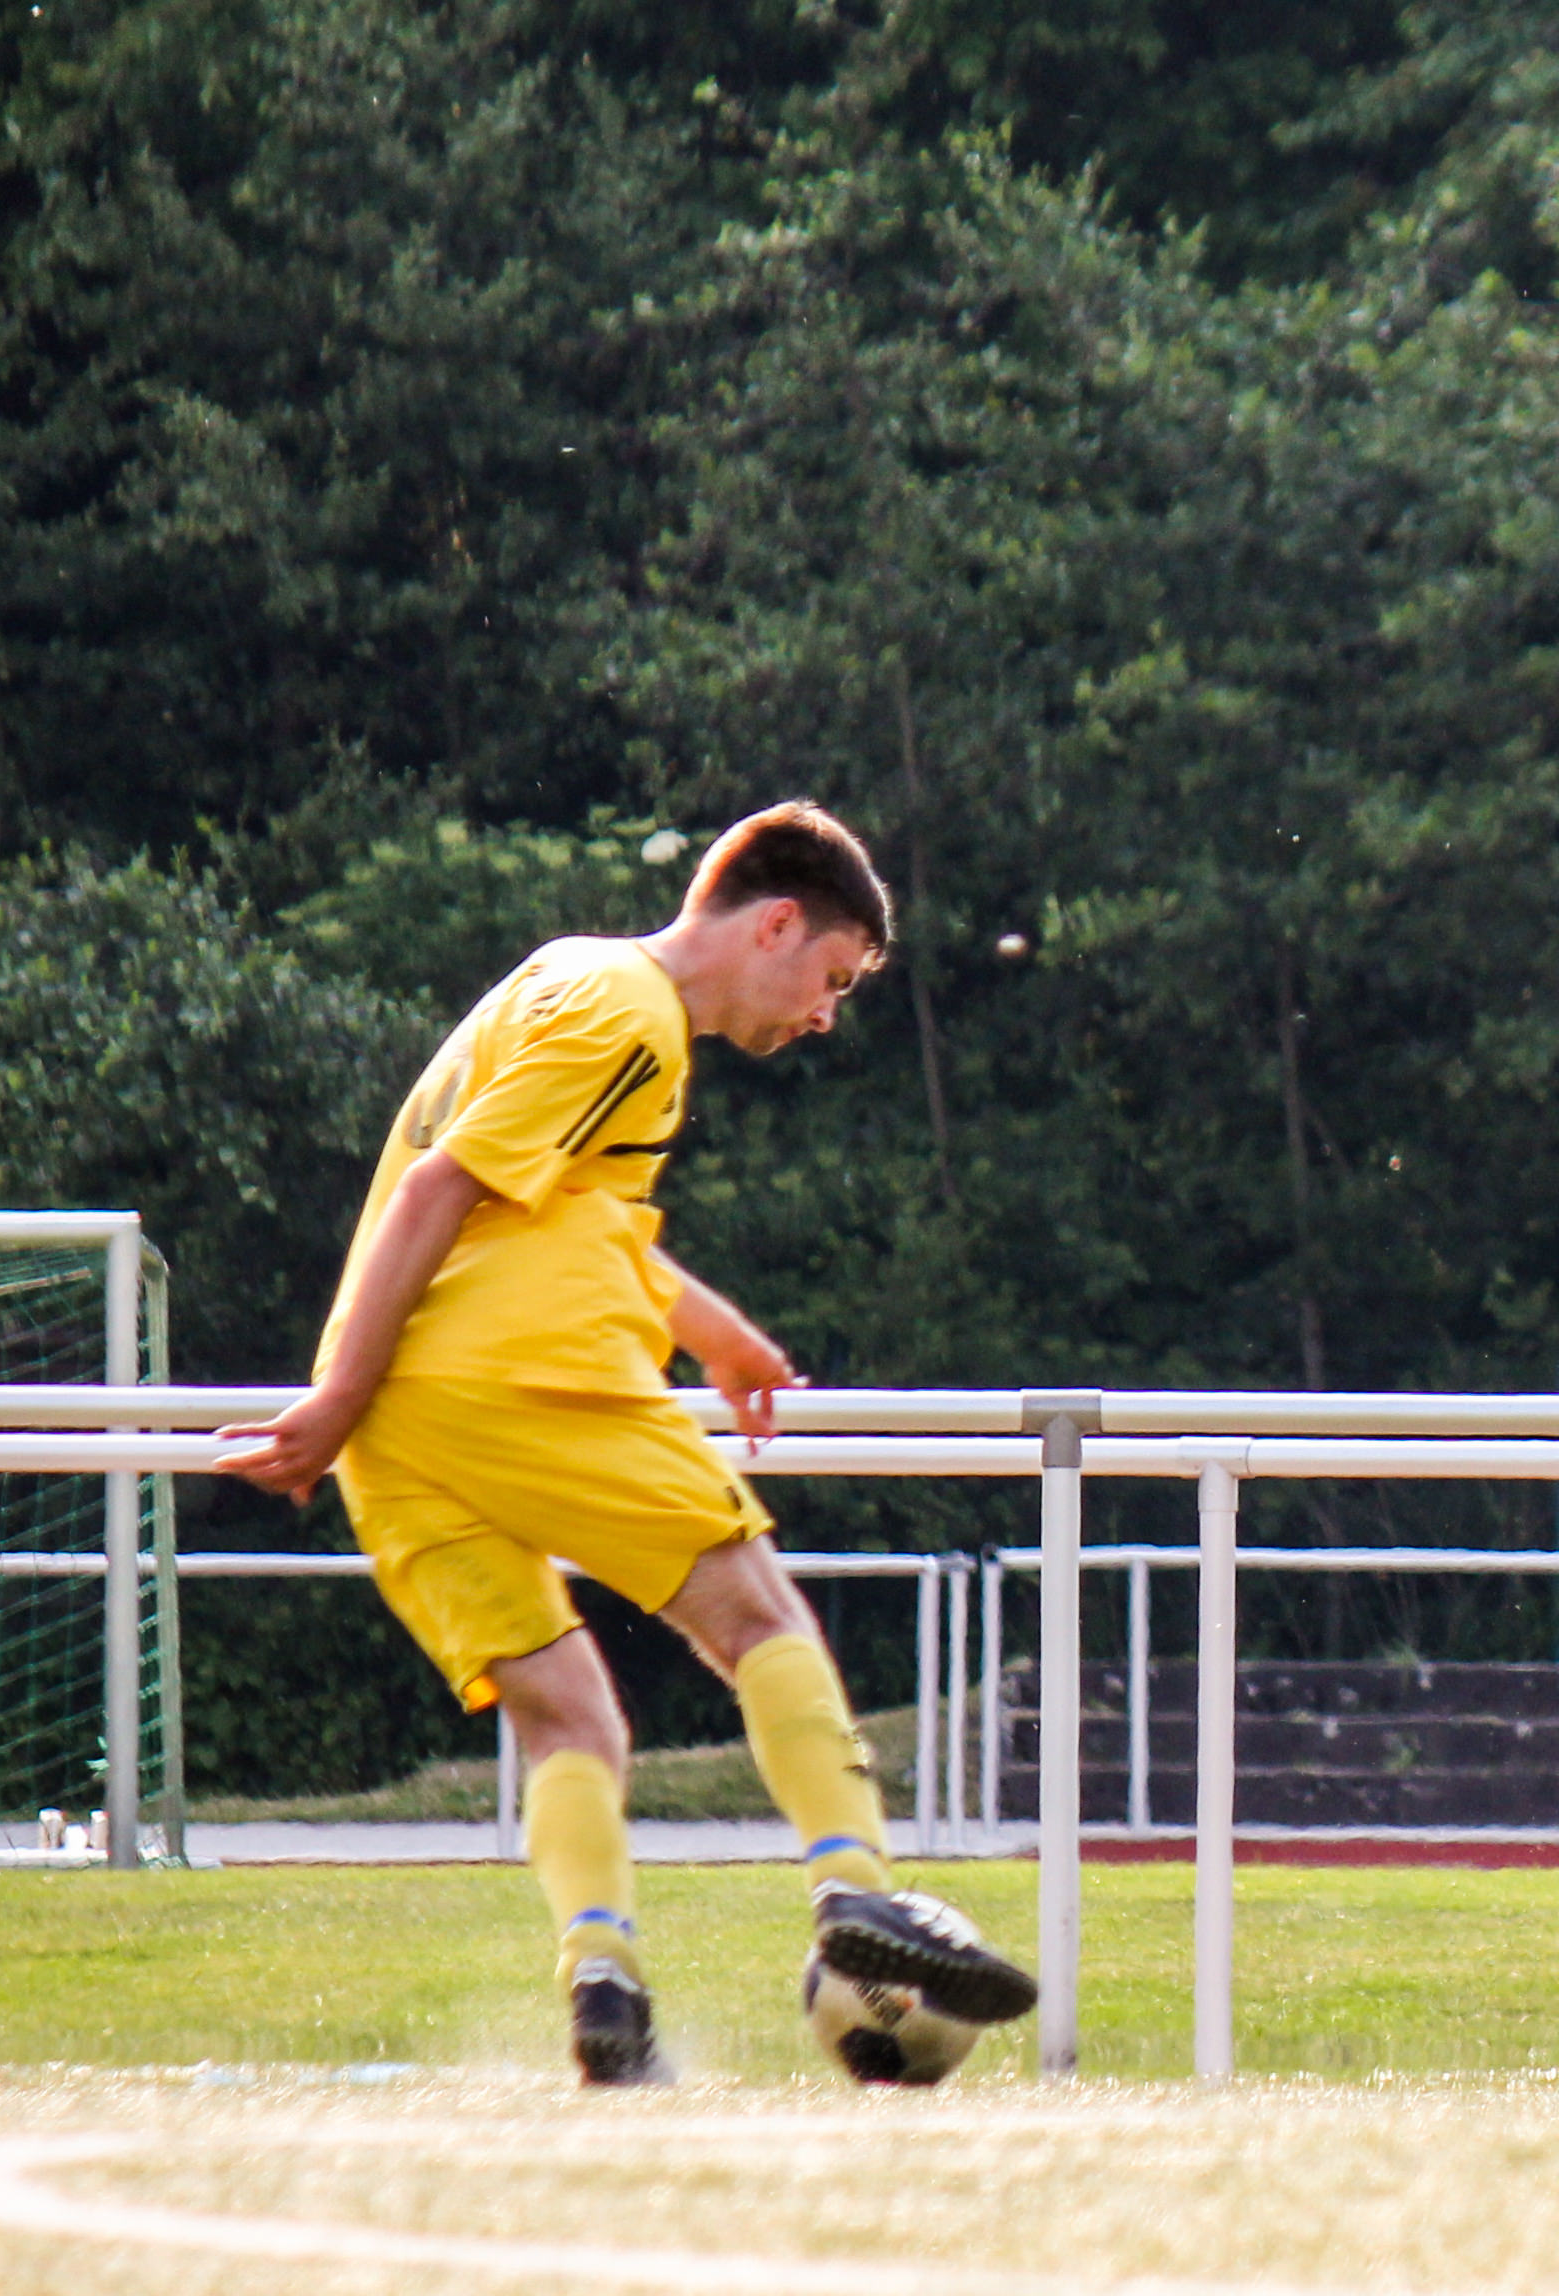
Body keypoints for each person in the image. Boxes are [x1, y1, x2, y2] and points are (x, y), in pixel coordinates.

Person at [217, 802, 1033, 2086]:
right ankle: (858, 1891)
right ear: (775, 924)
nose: (825, 1016)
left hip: (403, 1432)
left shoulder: (567, 977)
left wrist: (716, 1333)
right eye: (830, 979)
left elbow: (559, 1214)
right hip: (510, 1374)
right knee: (757, 1617)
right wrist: (329, 1394)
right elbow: (442, 1190)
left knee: (569, 1719)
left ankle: (604, 1986)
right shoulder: (631, 1014)